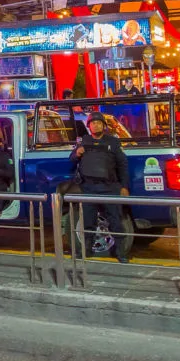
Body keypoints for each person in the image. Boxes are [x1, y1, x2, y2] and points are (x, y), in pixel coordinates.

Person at [70, 112, 130, 263]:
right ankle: (87, 250)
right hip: (89, 187)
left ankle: (121, 253)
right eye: (92, 123)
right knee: (88, 221)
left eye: (98, 123)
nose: (95, 125)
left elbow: (123, 165)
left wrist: (124, 186)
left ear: (104, 126)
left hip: (109, 187)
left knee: (115, 221)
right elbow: (71, 159)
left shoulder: (113, 142)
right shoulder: (84, 141)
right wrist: (77, 153)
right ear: (88, 126)